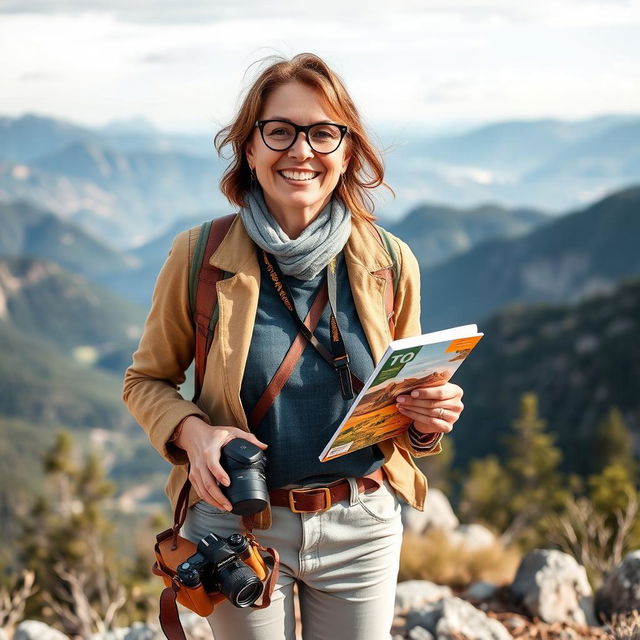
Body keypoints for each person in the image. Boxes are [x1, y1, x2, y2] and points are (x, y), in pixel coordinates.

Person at [122, 52, 464, 640]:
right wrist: (194, 432)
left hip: (363, 522)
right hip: (236, 528)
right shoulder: (199, 256)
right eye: (279, 131)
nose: (301, 151)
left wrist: (428, 419)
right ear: (248, 148)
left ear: (347, 151)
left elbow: (403, 402)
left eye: (323, 133)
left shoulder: (389, 262)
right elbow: (146, 381)